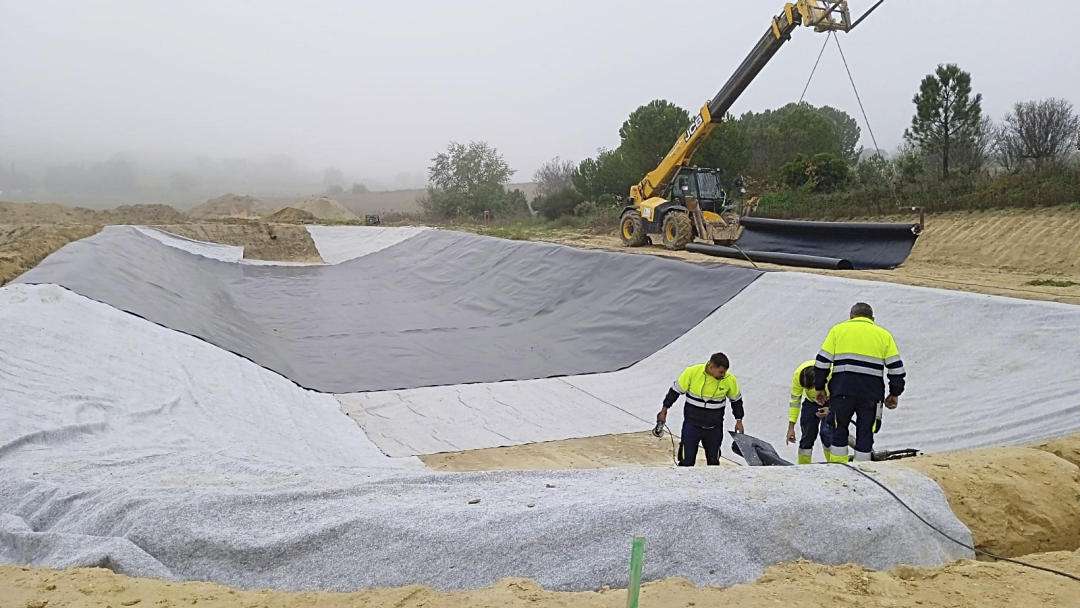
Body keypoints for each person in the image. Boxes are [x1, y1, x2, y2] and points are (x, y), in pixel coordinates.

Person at [814, 302, 906, 462]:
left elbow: (822, 363)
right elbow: (896, 369)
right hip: (871, 395)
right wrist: (894, 393)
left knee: (839, 429)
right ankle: (863, 469)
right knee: (866, 432)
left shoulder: (838, 330)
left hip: (842, 391)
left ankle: (838, 468)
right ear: (872, 319)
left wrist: (820, 387)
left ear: (851, 316)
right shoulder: (884, 335)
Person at [656, 352, 745, 466]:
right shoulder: (692, 372)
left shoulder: (729, 379)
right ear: (711, 366)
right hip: (691, 426)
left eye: (725, 372)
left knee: (713, 462)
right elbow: (674, 392)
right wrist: (664, 410)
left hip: (714, 429)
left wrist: (739, 420)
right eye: (721, 372)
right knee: (686, 461)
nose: (723, 375)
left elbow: (736, 401)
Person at [785, 360, 832, 464]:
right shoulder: (797, 376)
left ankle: (834, 463)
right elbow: (795, 402)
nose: (812, 391)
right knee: (807, 436)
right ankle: (803, 466)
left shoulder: (831, 374)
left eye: (812, 388)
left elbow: (842, 397)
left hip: (831, 401)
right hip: (811, 402)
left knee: (827, 434)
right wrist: (791, 427)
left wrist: (831, 410)